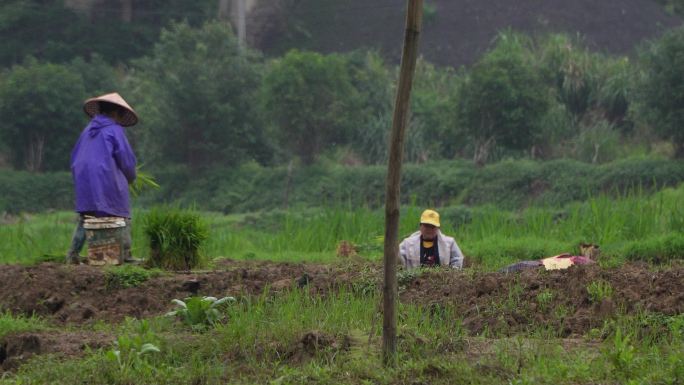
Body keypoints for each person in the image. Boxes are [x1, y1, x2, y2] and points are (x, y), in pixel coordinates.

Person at [66, 92, 138, 264]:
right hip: (104, 176)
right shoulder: (115, 129)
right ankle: (125, 255)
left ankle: (73, 254)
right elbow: (126, 160)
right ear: (115, 113)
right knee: (121, 214)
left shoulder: (87, 130)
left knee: (87, 215)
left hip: (84, 178)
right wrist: (131, 177)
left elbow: (75, 156)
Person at [399, 209, 465, 269]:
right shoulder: (407, 243)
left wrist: (450, 275)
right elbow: (398, 260)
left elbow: (458, 259)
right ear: (420, 226)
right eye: (426, 226)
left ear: (438, 228)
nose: (429, 229)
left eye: (432, 227)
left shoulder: (450, 243)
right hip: (414, 281)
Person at [499, 243, 600, 273]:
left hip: (542, 266)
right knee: (519, 265)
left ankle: (499, 272)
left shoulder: (579, 259)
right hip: (542, 263)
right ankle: (499, 272)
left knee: (519, 266)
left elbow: (590, 263)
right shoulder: (571, 256)